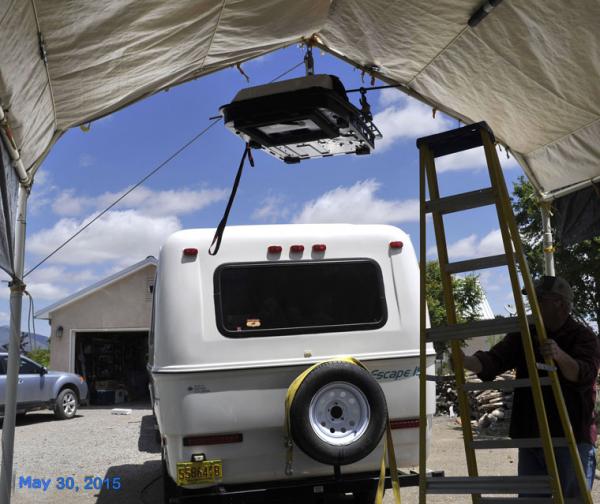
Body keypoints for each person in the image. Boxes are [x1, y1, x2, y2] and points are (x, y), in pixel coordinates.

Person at [461, 275, 600, 498]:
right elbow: (495, 359)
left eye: (539, 299)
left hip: (570, 437)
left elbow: (584, 374)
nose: (532, 305)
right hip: (533, 436)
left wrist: (559, 355)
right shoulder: (525, 334)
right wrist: (467, 361)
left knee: (572, 498)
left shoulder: (583, 337)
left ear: (560, 303)